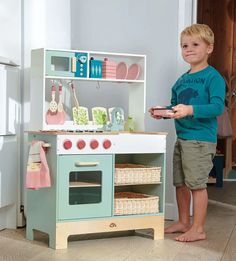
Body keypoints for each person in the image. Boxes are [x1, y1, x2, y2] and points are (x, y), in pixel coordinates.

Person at [149, 24, 225, 242]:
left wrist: (190, 109)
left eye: (194, 44)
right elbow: (176, 107)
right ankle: (183, 221)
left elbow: (217, 108)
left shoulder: (213, 78)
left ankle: (198, 228)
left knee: (197, 184)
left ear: (209, 48)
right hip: (183, 139)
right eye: (184, 45)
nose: (188, 49)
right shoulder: (181, 80)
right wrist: (163, 112)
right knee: (180, 182)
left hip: (200, 140)